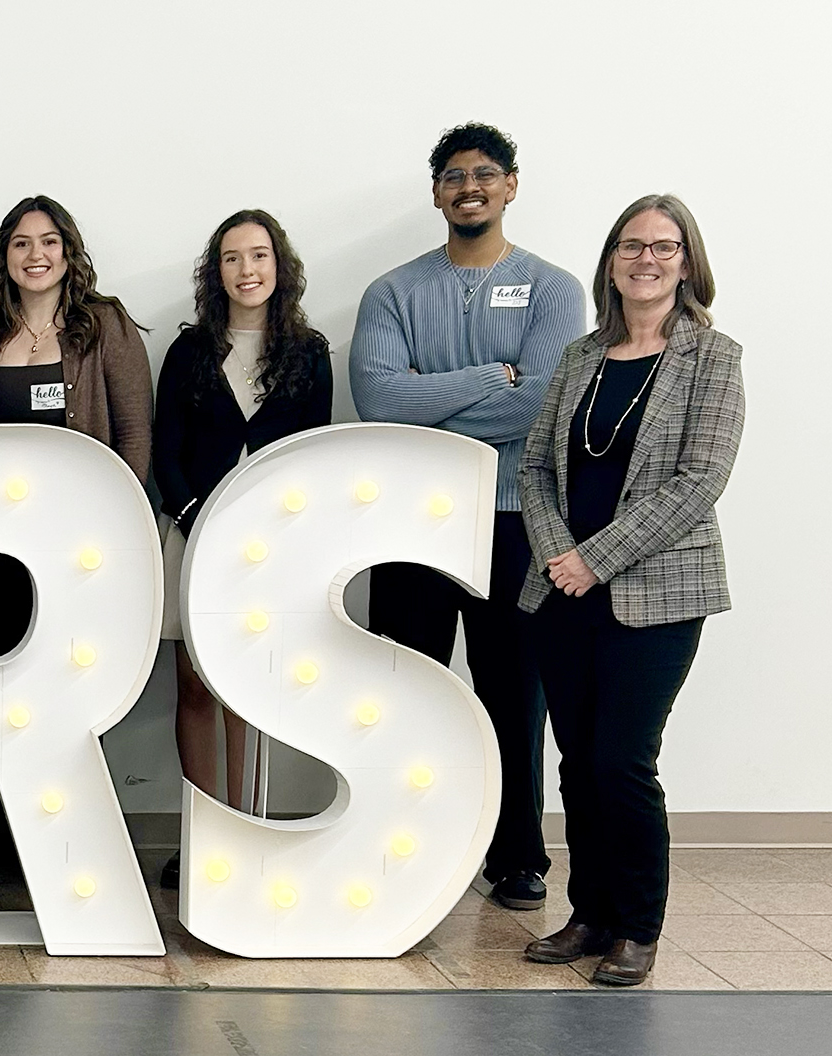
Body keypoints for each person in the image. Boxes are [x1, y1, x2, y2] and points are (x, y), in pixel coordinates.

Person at [348, 122, 586, 911]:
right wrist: (492, 375)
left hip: (515, 521)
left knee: (512, 693)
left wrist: (434, 400)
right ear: (437, 192)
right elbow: (381, 401)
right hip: (410, 524)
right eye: (454, 176)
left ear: (511, 185)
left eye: (485, 174)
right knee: (403, 689)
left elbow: (545, 400)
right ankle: (392, 835)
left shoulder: (554, 289)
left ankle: (517, 855)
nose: (470, 186)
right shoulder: (391, 291)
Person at [517, 195, 743, 986]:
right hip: (561, 593)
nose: (646, 259)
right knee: (577, 763)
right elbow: (537, 466)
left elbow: (698, 481)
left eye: (664, 247)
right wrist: (558, 556)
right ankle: (590, 915)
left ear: (688, 263)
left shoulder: (713, 359)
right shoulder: (580, 357)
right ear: (611, 261)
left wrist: (596, 559)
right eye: (630, 246)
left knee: (623, 762)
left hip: (658, 596)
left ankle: (638, 927)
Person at [153, 210, 334, 887]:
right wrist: (199, 513)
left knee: (249, 692)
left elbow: (310, 458)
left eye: (259, 256)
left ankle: (247, 831)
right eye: (232, 258)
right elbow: (165, 452)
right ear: (216, 272)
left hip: (271, 550)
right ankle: (205, 833)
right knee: (197, 688)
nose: (247, 269)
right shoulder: (189, 351)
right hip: (196, 536)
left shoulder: (308, 352)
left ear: (279, 267)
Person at [0, 195, 153, 660]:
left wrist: (115, 523)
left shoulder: (106, 324)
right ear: (4, 256)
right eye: (21, 244)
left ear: (68, 252)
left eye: (49, 242)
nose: (36, 256)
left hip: (81, 535)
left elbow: (134, 435)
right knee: (4, 667)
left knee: (76, 665)